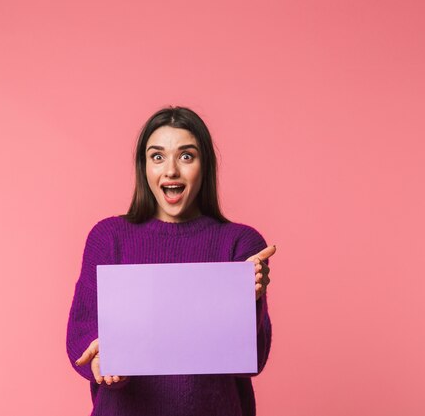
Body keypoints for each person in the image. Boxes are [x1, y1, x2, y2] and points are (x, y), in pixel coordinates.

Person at [66, 106, 275, 416]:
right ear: (144, 166)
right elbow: (82, 334)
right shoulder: (109, 237)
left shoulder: (240, 243)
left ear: (205, 166)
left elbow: (252, 361)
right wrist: (103, 361)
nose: (171, 170)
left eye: (187, 156)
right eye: (158, 157)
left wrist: (248, 303)